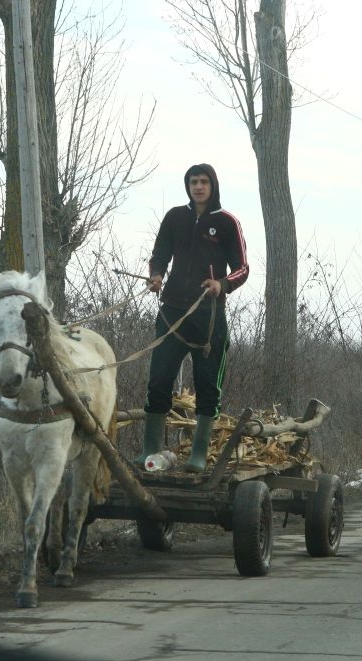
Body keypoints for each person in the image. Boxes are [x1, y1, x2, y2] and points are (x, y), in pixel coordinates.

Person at [137, 163, 249, 473]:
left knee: (208, 385)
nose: (198, 187)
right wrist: (156, 276)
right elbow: (160, 255)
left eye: (203, 182)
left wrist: (221, 284)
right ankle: (149, 450)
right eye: (193, 182)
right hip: (172, 312)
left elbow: (242, 268)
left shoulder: (227, 222)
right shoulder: (175, 217)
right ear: (187, 186)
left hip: (208, 315)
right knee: (159, 380)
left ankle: (198, 453)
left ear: (213, 186)